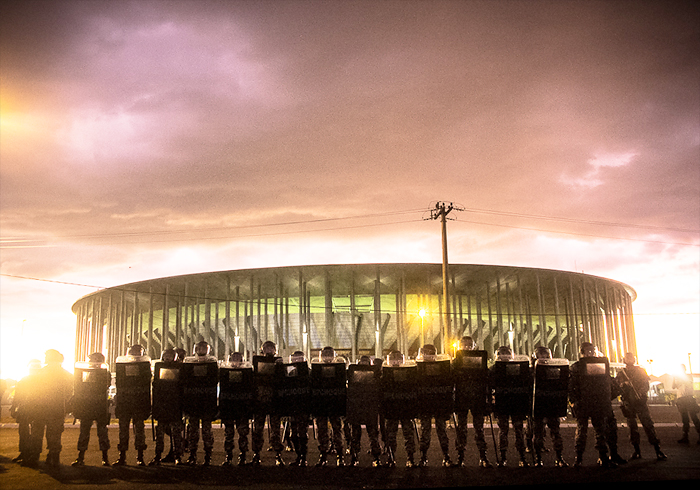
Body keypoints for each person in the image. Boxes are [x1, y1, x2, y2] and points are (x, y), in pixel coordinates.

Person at [569, 342, 624, 468]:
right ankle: (579, 458)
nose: (592, 353)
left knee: (601, 431)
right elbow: (571, 386)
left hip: (599, 403)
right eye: (589, 351)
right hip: (583, 404)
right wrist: (574, 402)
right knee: (582, 432)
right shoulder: (577, 367)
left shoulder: (600, 365)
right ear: (582, 352)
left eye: (593, 351)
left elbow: (607, 383)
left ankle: (603, 456)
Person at [616, 353, 666, 460]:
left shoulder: (640, 371)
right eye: (627, 358)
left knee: (648, 425)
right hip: (628, 403)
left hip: (639, 402)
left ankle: (657, 450)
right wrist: (624, 384)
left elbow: (646, 385)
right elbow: (617, 387)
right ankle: (637, 451)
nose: (629, 360)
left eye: (631, 358)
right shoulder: (622, 373)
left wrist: (640, 392)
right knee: (632, 428)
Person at [29, 349, 73, 467]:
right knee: (55, 433)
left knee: (37, 432)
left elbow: (33, 390)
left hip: (40, 408)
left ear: (50, 357)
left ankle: (34, 457)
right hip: (57, 408)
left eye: (46, 356)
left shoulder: (41, 373)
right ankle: (53, 457)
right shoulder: (65, 373)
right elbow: (70, 391)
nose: (45, 358)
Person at [452, 336, 492, 468]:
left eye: (469, 345)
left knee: (479, 429)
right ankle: (460, 457)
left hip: (476, 398)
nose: (467, 347)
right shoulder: (456, 361)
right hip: (463, 397)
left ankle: (483, 456)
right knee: (461, 429)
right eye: (465, 345)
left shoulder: (479, 359)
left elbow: (486, 378)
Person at [490, 345, 530, 467]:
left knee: (515, 430)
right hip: (506, 403)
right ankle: (506, 457)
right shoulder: (496, 369)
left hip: (511, 403)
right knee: (507, 430)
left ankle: (516, 457)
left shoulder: (495, 369)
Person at [529, 346, 568, 467]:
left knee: (556, 432)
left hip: (552, 403)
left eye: (546, 355)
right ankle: (538, 458)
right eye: (542, 355)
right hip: (539, 404)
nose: (545, 358)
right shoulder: (531, 371)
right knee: (538, 433)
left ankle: (559, 457)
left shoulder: (554, 369)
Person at [415, 344, 454, 467]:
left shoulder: (443, 367)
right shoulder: (418, 367)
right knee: (426, 431)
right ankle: (424, 456)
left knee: (439, 431)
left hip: (436, 404)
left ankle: (444, 456)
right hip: (428, 404)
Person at [71, 353, 112, 467]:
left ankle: (105, 458)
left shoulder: (105, 373)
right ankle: (81, 457)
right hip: (89, 406)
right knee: (84, 433)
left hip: (98, 407)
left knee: (101, 433)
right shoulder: (84, 372)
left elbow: (105, 385)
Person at [113, 345, 152, 466]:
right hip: (126, 404)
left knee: (138, 431)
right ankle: (123, 456)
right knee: (124, 431)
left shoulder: (145, 367)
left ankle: (139, 456)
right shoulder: (123, 366)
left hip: (137, 404)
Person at [182, 340, 219, 466]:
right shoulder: (189, 363)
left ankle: (208, 455)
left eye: (204, 348)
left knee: (206, 431)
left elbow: (214, 381)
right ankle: (192, 454)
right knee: (193, 431)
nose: (201, 351)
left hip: (206, 403)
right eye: (199, 348)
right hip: (194, 403)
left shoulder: (212, 363)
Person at [381, 350, 417, 468]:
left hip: (401, 408)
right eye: (393, 359)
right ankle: (393, 457)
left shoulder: (408, 372)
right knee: (393, 434)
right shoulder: (385, 374)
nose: (395, 361)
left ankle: (408, 457)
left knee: (406, 434)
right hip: (395, 409)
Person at [251, 340, 285, 466]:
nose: (269, 350)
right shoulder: (257, 362)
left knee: (275, 430)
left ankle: (278, 454)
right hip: (260, 401)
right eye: (267, 348)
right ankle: (256, 453)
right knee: (258, 430)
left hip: (273, 401)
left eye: (271, 348)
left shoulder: (279, 363)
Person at [312, 346, 346, 466]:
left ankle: (339, 455)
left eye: (329, 354)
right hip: (323, 405)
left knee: (336, 430)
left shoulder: (339, 369)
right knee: (322, 431)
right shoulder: (316, 369)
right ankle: (324, 455)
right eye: (325, 354)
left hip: (333, 405)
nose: (327, 357)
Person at [150, 348, 184, 466]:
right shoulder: (159, 366)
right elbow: (155, 386)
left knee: (176, 433)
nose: (168, 358)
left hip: (174, 405)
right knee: (160, 433)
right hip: (162, 405)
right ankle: (158, 455)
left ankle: (177, 456)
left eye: (170, 356)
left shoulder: (180, 367)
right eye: (166, 356)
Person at [346, 355, 382, 467]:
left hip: (357, 407)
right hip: (369, 408)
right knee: (372, 435)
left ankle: (355, 457)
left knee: (356, 435)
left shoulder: (354, 373)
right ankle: (376, 457)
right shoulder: (374, 373)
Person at [220, 351, 253, 466]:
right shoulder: (224, 371)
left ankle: (243, 455)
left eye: (238, 359)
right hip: (230, 408)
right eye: (234, 358)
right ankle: (228, 456)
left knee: (242, 433)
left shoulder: (247, 372)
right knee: (228, 434)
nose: (235, 361)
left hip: (241, 408)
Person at [10, 359, 42, 465]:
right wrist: (14, 407)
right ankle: (26, 454)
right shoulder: (26, 380)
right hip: (27, 409)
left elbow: (17, 396)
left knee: (32, 433)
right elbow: (18, 395)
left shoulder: (38, 381)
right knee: (25, 432)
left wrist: (14, 407)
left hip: (34, 410)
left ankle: (31, 456)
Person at [672, 364, 700, 444]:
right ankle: (685, 436)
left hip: (688, 398)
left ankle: (692, 435)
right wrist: (674, 378)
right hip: (681, 398)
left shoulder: (688, 376)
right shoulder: (677, 377)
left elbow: (687, 383)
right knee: (685, 418)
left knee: (694, 417)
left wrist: (678, 377)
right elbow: (673, 386)